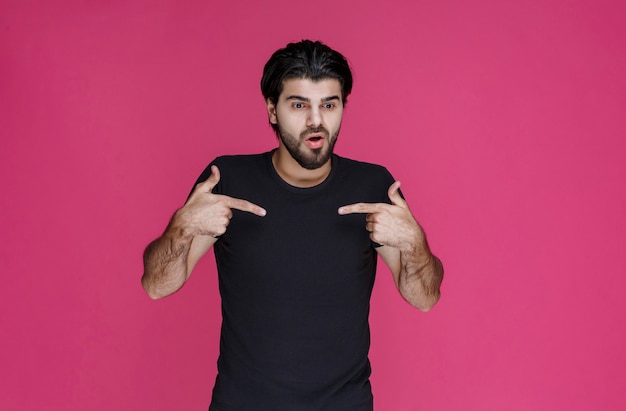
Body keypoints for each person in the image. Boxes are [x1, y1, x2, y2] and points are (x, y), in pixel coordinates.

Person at [142, 39, 443, 411]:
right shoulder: (227, 180)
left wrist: (414, 244)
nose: (316, 121)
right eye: (299, 104)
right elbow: (157, 286)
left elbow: (424, 298)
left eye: (329, 105)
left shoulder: (373, 186)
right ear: (272, 109)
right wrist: (181, 228)